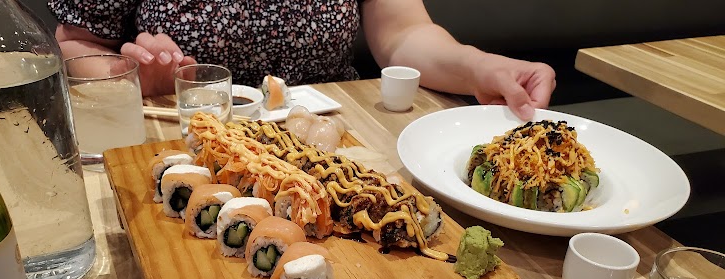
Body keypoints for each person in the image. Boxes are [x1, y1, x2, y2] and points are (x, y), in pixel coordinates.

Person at [50, 0, 555, 120]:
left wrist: (479, 66)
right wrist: (130, 75)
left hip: (334, 133)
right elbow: (75, 42)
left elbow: (403, 32)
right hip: (183, 127)